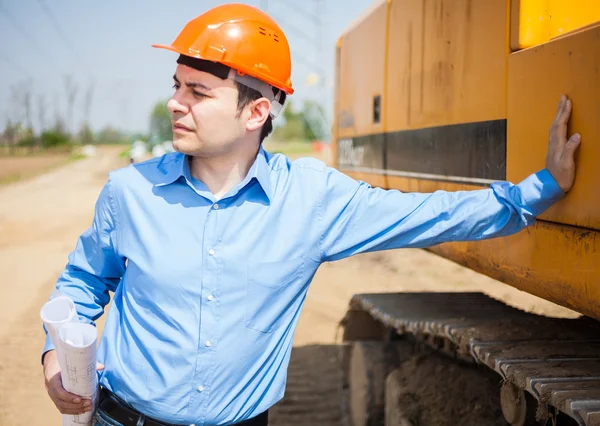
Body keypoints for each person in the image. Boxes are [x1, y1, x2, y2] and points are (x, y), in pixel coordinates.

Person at [41, 4, 582, 426]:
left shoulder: (312, 201)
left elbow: (433, 215)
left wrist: (544, 187)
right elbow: (82, 284)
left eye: (198, 91)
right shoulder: (129, 191)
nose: (175, 103)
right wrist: (52, 354)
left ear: (256, 111)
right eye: (176, 85)